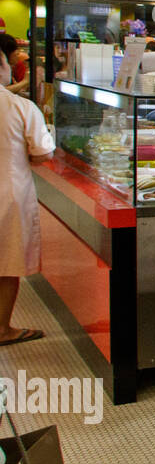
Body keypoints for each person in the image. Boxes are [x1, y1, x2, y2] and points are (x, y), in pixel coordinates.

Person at [1, 85, 56, 345]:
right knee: (8, 264)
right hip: (8, 194)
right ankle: (2, 329)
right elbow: (43, 153)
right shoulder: (19, 106)